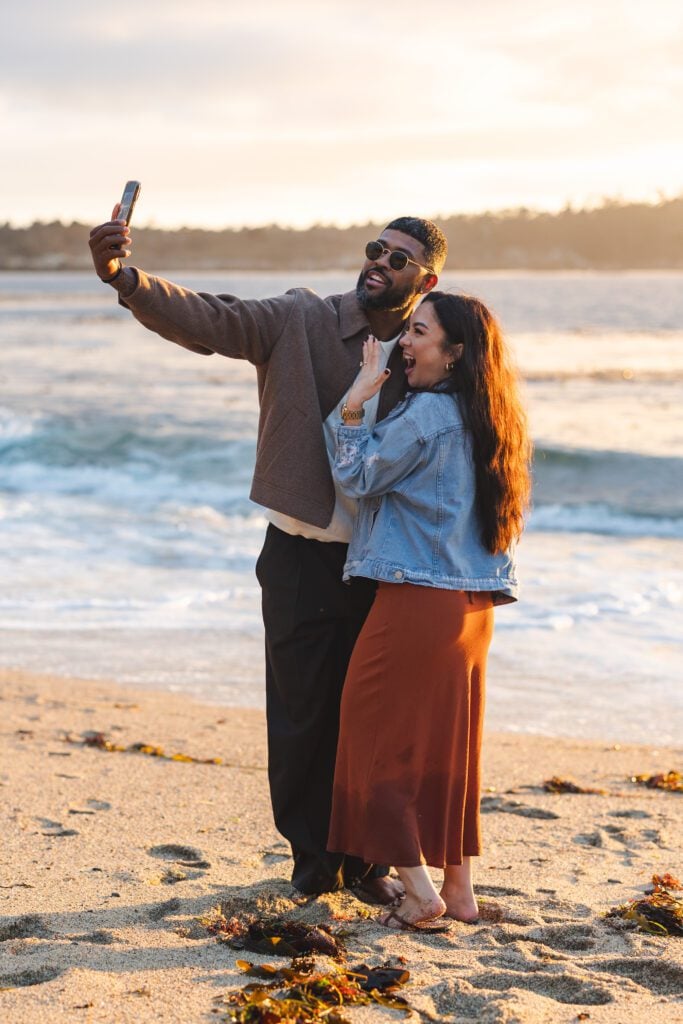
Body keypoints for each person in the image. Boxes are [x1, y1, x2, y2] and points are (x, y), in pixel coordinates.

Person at [88, 208, 448, 899]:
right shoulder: (300, 319)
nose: (378, 261)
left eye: (397, 258)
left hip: (388, 567)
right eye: (375, 248)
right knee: (304, 717)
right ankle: (315, 866)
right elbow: (209, 318)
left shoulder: (424, 347)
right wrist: (123, 277)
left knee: (371, 723)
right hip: (301, 556)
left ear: (425, 278)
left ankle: (367, 863)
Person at [326, 291, 531, 929]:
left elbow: (357, 477)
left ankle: (420, 891)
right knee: (449, 751)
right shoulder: (492, 417)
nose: (402, 345)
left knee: (373, 738)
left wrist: (356, 399)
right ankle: (460, 891)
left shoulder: (427, 416)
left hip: (417, 602)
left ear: (456, 351)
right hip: (472, 611)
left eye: (418, 333)